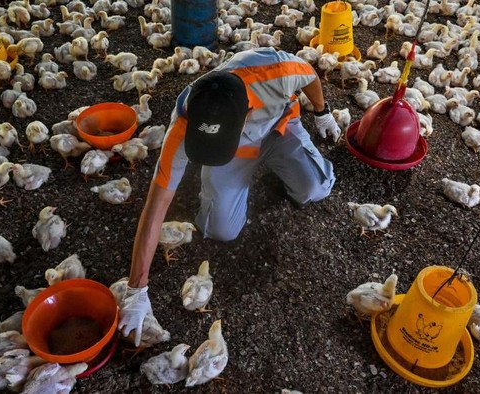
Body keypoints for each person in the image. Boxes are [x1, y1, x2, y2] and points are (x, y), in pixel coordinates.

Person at [118, 48, 339, 344]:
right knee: (221, 230)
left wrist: (322, 113)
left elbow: (311, 76)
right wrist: (136, 290)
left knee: (316, 189)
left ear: (246, 113)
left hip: (279, 127)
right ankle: (230, 175)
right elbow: (155, 207)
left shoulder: (276, 71)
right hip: (236, 152)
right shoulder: (183, 124)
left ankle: (282, 163)